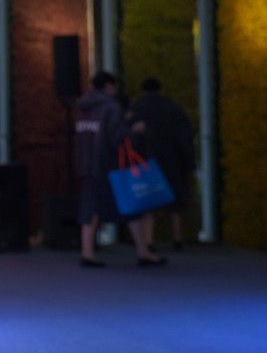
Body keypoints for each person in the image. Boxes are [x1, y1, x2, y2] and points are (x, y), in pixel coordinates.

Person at [74, 71, 164, 268]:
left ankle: (87, 252)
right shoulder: (111, 108)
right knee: (132, 205)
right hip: (110, 165)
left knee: (90, 208)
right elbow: (117, 139)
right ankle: (143, 252)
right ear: (109, 86)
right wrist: (134, 131)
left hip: (87, 163)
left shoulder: (83, 107)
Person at [129, 77, 196, 251]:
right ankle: (177, 237)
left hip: (145, 160)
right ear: (161, 89)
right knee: (174, 199)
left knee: (148, 200)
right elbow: (184, 136)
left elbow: (130, 136)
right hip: (171, 159)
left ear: (143, 90)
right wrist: (188, 160)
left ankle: (149, 240)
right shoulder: (173, 108)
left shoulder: (137, 108)